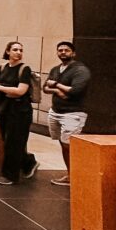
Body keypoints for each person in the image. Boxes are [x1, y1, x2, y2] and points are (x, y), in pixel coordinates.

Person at [0, 42, 39, 185]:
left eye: (21, 50)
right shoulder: (3, 67)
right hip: (5, 109)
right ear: (8, 51)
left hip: (20, 111)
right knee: (8, 141)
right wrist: (0, 87)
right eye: (15, 49)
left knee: (14, 143)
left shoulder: (25, 69)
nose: (18, 52)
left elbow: (21, 91)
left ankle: (10, 176)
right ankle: (29, 162)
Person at [43, 41, 91, 186]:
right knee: (63, 144)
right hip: (56, 111)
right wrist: (59, 91)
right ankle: (70, 174)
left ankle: (75, 176)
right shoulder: (55, 69)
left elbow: (76, 91)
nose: (63, 52)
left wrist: (56, 85)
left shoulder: (80, 70)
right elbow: (45, 87)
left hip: (73, 113)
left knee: (69, 146)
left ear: (73, 53)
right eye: (60, 50)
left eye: (67, 50)